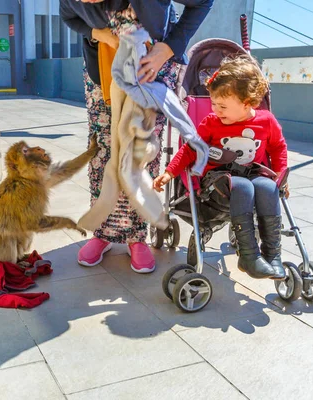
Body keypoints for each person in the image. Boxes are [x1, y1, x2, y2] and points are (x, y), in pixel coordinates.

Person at [60, 0, 213, 273]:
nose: (86, 2)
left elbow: (202, 2)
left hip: (153, 63)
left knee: (141, 150)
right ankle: (104, 232)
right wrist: (98, 34)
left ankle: (136, 237)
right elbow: (68, 15)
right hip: (103, 67)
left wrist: (167, 49)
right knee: (104, 150)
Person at [153, 54, 288, 280]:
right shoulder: (211, 123)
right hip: (216, 181)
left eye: (222, 105)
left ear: (246, 103)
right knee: (243, 187)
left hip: (252, 173)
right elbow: (190, 149)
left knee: (268, 187)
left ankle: (272, 255)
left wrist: (280, 176)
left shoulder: (266, 121)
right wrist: (170, 172)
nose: (215, 109)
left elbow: (278, 148)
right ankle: (248, 255)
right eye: (213, 103)